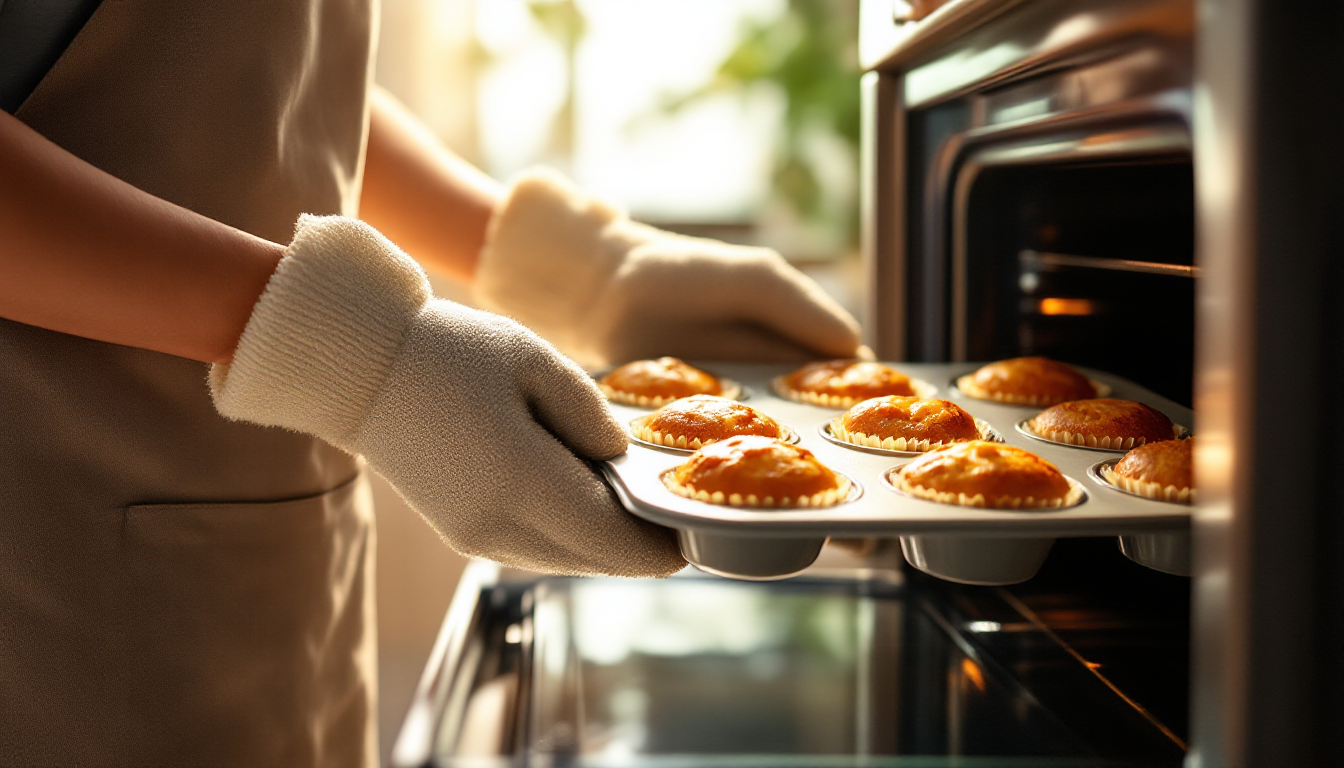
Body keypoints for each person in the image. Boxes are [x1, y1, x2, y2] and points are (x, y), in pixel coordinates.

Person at [0, 1, 861, 765]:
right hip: (57, 584)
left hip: (267, 550)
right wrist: (361, 353)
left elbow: (275, 92)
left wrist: (579, 269)